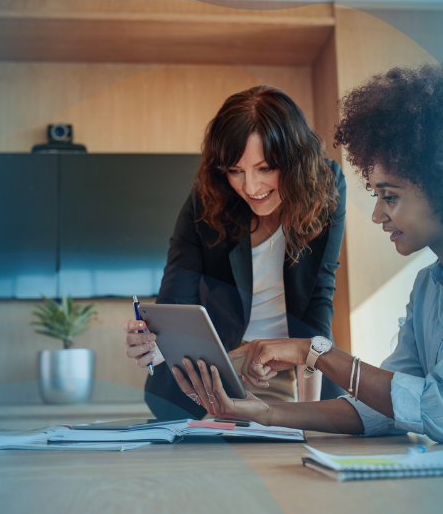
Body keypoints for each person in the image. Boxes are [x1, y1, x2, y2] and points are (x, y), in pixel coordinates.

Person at [172, 64, 443, 443]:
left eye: (389, 196)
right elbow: (381, 410)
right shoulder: (428, 287)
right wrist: (265, 413)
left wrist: (310, 351)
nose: (376, 214)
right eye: (376, 194)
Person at [123, 85, 347, 420]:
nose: (251, 187)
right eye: (235, 171)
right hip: (218, 372)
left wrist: (309, 413)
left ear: (295, 160)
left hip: (296, 369)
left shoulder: (325, 186)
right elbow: (175, 301)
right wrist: (155, 344)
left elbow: (318, 298)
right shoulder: (207, 198)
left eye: (266, 168)